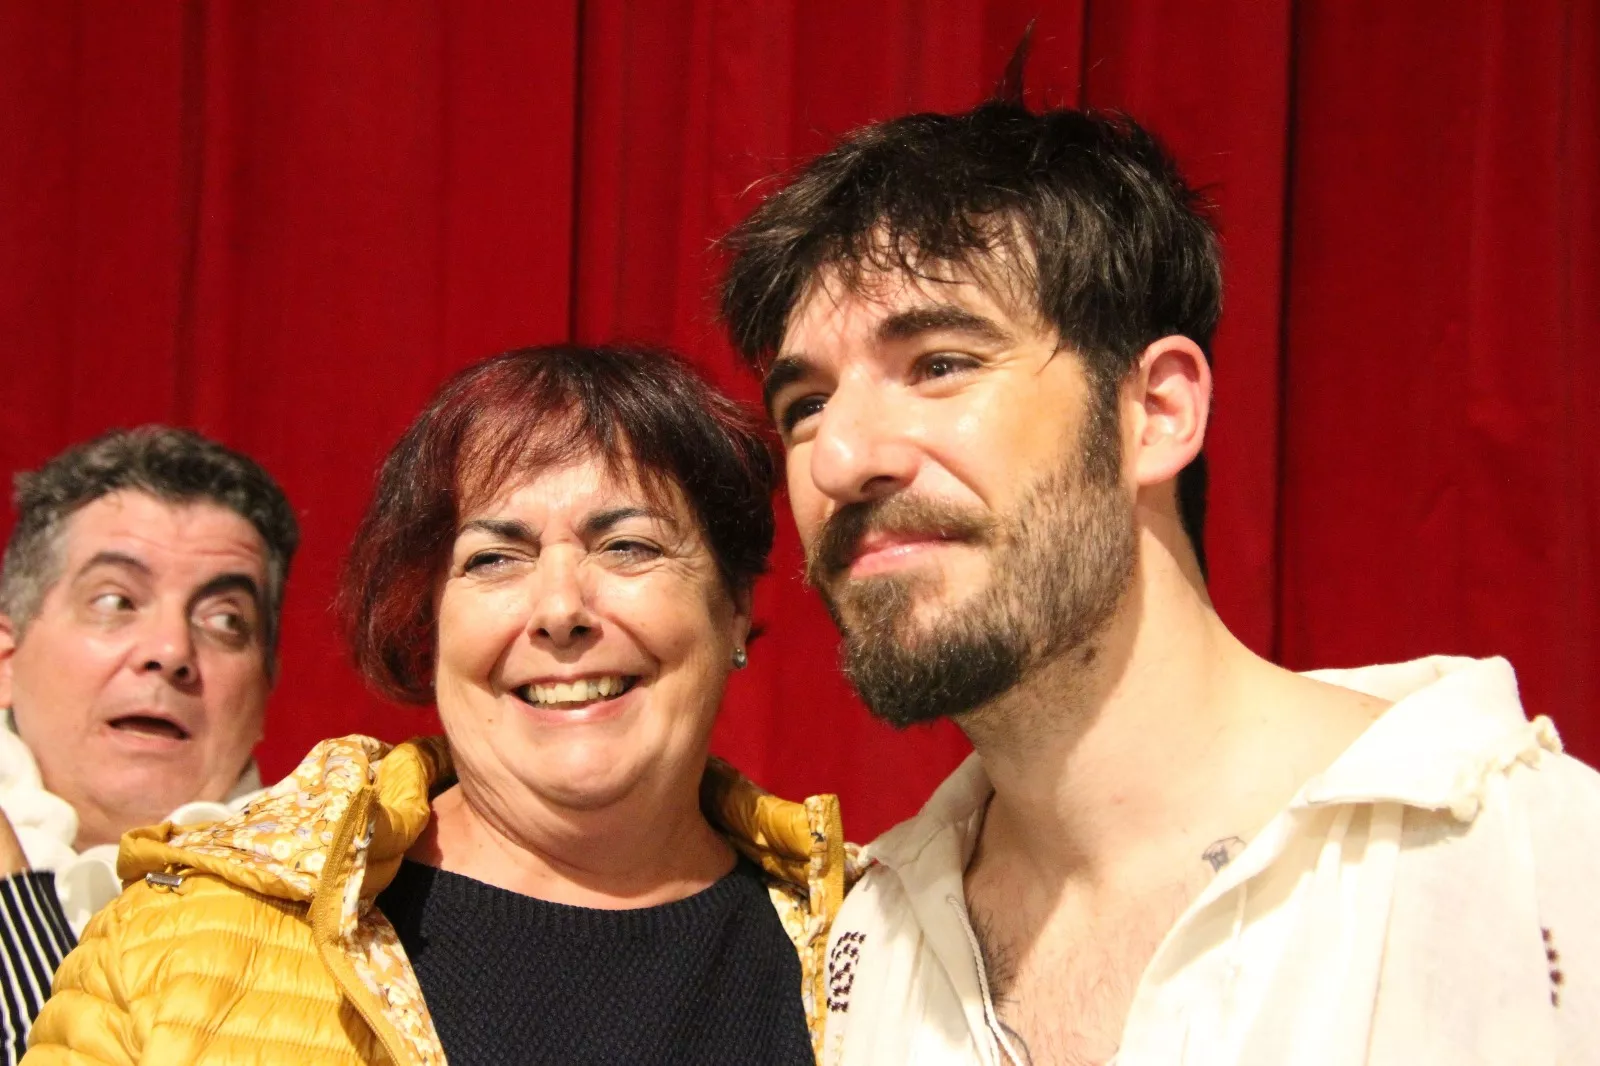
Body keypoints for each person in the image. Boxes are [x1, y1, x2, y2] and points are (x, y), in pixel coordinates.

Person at [719, 91, 1600, 1065]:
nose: (838, 458)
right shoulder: (863, 950)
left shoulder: (1537, 873)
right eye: (803, 404)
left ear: (1157, 411)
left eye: (938, 363)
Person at [24, 345, 854, 1066]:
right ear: (431, 622)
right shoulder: (173, 948)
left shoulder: (872, 951)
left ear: (734, 606)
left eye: (627, 546)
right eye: (495, 558)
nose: (560, 608)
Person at [0, 427, 297, 1063]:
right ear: (6, 656)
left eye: (225, 621)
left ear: (265, 688)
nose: (170, 652)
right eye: (117, 601)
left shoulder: (343, 916)